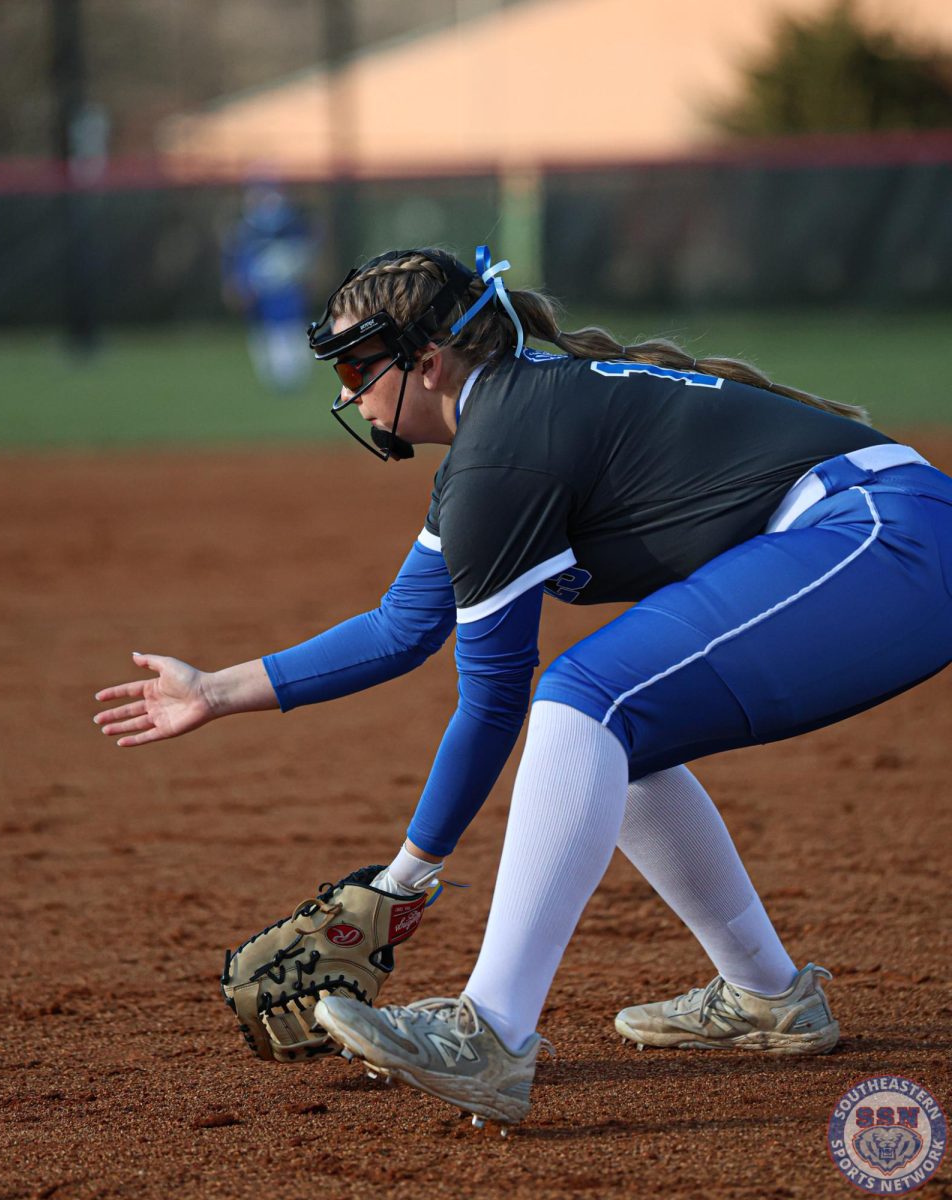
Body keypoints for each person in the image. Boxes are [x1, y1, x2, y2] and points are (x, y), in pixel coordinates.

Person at [94, 245, 952, 1133]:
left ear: (427, 363)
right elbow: (400, 628)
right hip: (884, 538)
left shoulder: (505, 449)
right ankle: (771, 997)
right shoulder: (499, 428)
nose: (346, 393)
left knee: (584, 697)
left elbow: (496, 701)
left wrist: (401, 882)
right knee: (617, 736)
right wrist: (215, 690)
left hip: (885, 542)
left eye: (357, 365)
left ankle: (492, 1032)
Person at [221, 180, 319, 391]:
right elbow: (237, 262)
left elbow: (304, 257)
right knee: (267, 335)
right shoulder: (245, 230)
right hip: (263, 296)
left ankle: (292, 378)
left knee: (292, 330)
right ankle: (281, 378)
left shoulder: (292, 226)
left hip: (286, 293)